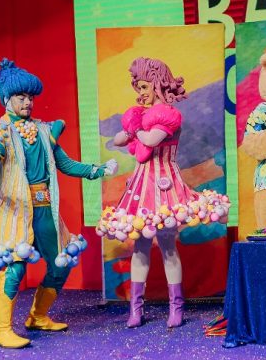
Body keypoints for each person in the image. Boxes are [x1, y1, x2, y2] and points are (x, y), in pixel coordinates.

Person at [0, 59, 117, 349]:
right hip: (15, 211)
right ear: (6, 100)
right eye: (21, 97)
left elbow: (64, 163)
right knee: (14, 267)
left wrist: (98, 170)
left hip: (45, 209)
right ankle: (2, 329)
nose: (27, 102)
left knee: (61, 263)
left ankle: (37, 316)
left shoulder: (43, 131)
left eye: (30, 97)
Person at [96, 57, 230, 329]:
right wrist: (130, 126)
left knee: (168, 246)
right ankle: (136, 309)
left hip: (165, 184)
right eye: (138, 87)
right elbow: (120, 139)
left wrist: (134, 127)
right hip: (141, 186)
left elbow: (149, 140)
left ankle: (176, 308)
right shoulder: (142, 115)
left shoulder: (167, 115)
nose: (140, 92)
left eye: (144, 86)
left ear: (157, 85)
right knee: (140, 245)